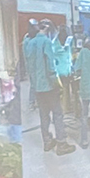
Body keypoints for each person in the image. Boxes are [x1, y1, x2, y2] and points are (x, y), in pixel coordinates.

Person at [24, 17, 68, 152]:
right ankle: (61, 144)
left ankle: (47, 142)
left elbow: (28, 66)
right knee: (58, 114)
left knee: (44, 115)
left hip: (37, 86)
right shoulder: (46, 42)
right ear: (47, 29)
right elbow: (50, 66)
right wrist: (57, 84)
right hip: (49, 86)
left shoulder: (29, 43)